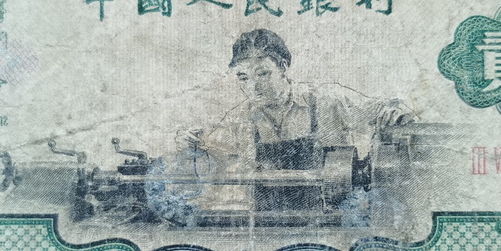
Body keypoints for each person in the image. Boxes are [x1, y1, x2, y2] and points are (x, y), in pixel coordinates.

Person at [175, 28, 410, 214]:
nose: (253, 87)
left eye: (263, 74)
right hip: (269, 225)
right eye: (243, 78)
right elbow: (205, 153)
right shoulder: (239, 119)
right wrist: (187, 142)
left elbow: (387, 109)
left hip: (334, 223)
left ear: (283, 67)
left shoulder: (326, 102)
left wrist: (396, 111)